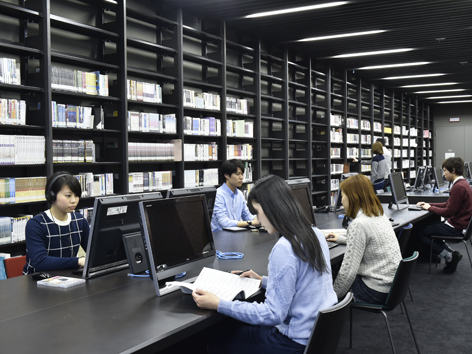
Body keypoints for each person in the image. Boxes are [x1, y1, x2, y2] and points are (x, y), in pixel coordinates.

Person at [193, 175, 337, 354]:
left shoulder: (284, 248)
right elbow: (305, 283)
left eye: (258, 213)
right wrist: (264, 281)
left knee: (217, 335)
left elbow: (273, 314)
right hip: (317, 335)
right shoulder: (314, 233)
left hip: (293, 342)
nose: (258, 221)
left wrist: (218, 304)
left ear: (273, 210)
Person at [325, 174, 402, 304]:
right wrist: (342, 239)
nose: (341, 200)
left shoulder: (359, 224)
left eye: (343, 195)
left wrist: (331, 299)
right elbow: (369, 240)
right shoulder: (378, 214)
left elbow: (349, 271)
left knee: (331, 276)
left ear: (352, 198)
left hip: (374, 292)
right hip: (393, 287)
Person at [23, 171, 90, 274]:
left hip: (69, 277)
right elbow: (40, 262)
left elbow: (94, 251)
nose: (74, 200)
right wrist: (78, 261)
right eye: (68, 195)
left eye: (76, 195)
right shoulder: (36, 224)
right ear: (52, 196)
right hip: (38, 281)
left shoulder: (80, 220)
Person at [415, 157, 472, 273]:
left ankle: (449, 256)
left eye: (445, 170)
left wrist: (430, 208)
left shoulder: (458, 187)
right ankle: (452, 254)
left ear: (453, 170)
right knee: (432, 228)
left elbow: (448, 212)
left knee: (421, 233)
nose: (444, 173)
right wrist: (428, 204)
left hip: (457, 227)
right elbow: (448, 204)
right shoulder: (463, 183)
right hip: (461, 224)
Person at [211, 159, 258, 232]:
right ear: (227, 175)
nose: (241, 177)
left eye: (242, 174)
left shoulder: (239, 194)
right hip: (220, 237)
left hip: (237, 234)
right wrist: (249, 222)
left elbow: (247, 215)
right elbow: (223, 222)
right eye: (237, 174)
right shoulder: (218, 194)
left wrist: (257, 219)